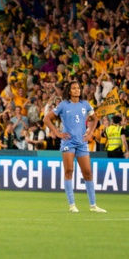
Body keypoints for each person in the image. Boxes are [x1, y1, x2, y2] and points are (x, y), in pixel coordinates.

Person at [44, 81, 106, 213]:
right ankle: (72, 205)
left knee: (88, 173)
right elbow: (46, 119)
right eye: (74, 88)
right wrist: (58, 133)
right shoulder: (63, 105)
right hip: (68, 142)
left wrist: (90, 133)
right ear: (69, 91)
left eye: (78, 88)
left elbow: (95, 119)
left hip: (82, 143)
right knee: (69, 171)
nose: (77, 90)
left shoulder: (85, 104)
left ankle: (93, 205)